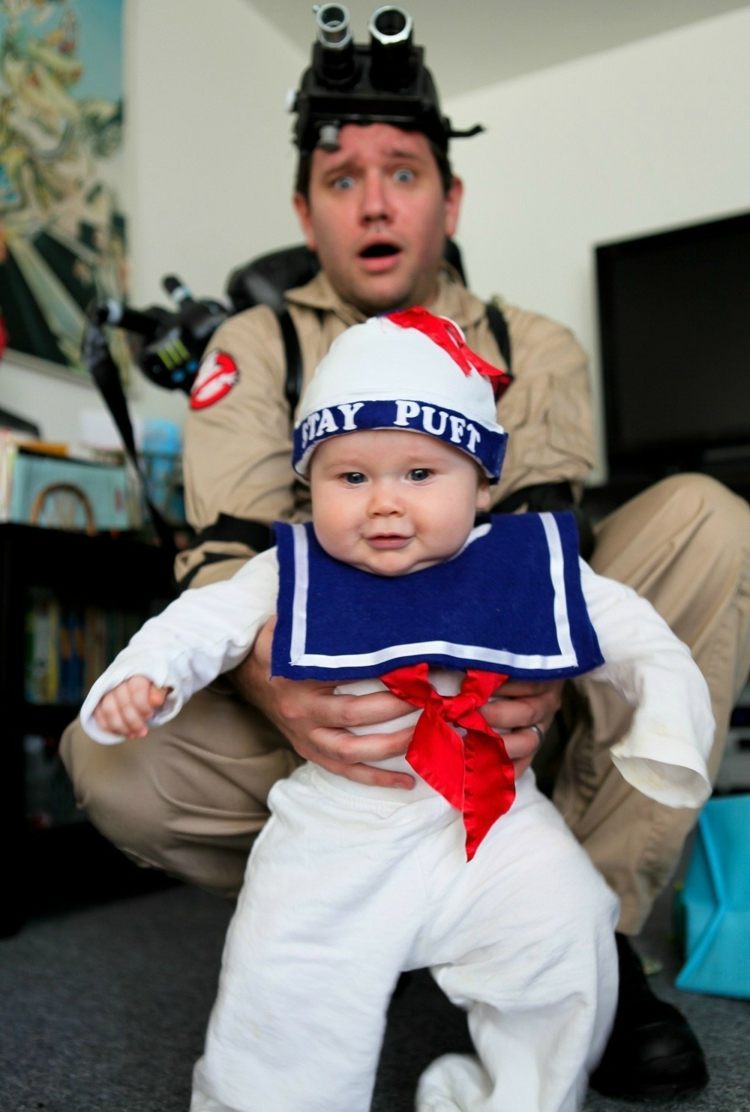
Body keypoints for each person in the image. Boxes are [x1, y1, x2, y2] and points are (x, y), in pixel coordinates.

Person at [60, 8, 750, 1101]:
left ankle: (588, 930)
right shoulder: (254, 346)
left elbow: (537, 551)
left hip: (510, 703)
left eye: (404, 170)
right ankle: (352, 906)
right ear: (304, 207)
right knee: (107, 753)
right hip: (333, 723)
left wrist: (529, 676)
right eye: (341, 178)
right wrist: (274, 682)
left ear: (449, 197)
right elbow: (234, 568)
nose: (375, 200)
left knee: (712, 514)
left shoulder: (534, 342)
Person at [80, 310, 714, 1112]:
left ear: (482, 483)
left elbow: (639, 639)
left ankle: (513, 1097)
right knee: (284, 993)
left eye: (420, 475)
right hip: (340, 831)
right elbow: (195, 626)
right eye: (352, 477)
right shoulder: (293, 569)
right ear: (312, 485)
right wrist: (143, 680)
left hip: (495, 822)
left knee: (566, 936)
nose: (384, 503)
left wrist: (663, 723)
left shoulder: (521, 562)